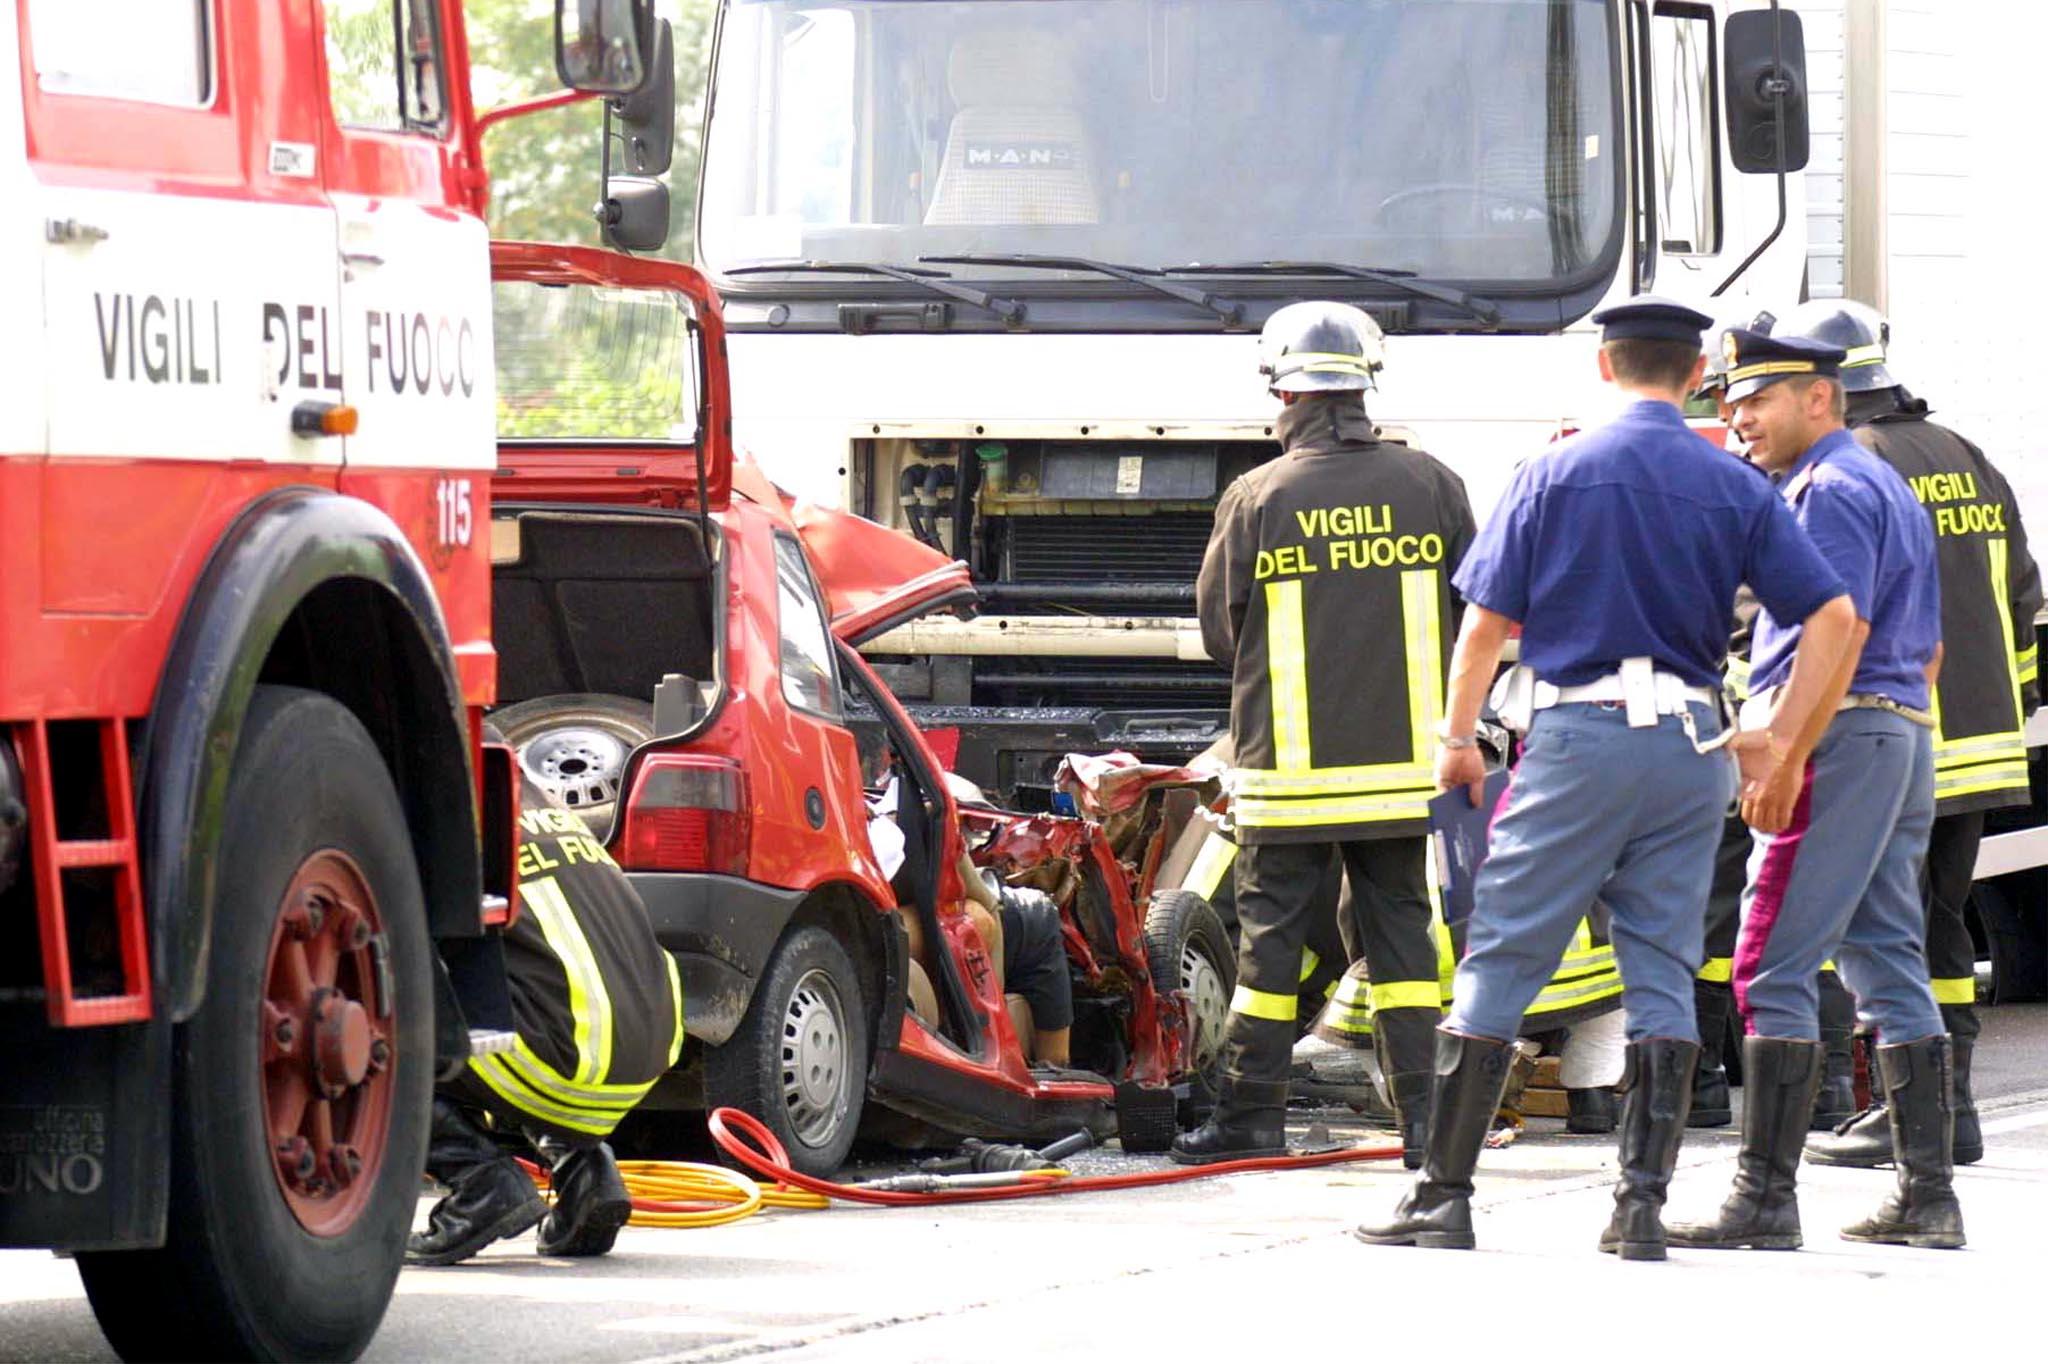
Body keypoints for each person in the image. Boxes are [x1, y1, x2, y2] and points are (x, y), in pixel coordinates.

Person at [1355, 297, 1857, 1260]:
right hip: (1689, 748)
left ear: (1603, 367)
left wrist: (1457, 740)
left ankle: (1442, 1198)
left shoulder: (1553, 470)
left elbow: (1484, 632)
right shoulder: (1736, 482)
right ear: (1698, 369)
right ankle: (1638, 1210)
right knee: (1662, 970)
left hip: (1577, 737)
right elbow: (1831, 615)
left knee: (1502, 955)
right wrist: (1781, 740)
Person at [1668, 328, 1961, 1252]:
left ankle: (1763, 1200)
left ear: (1820, 399)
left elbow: (1839, 630)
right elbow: (1932, 638)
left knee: (1768, 965)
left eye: (1757, 400)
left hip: (1840, 736)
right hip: (1898, 730)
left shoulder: (1828, 491)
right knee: (1885, 956)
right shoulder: (1880, 482)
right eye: (1732, 400)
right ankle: (1928, 1199)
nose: (1737, 417)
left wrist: (1786, 750)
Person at [1177, 301, 1477, 1169]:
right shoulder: (1432, 485)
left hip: (1290, 779)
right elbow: (1477, 612)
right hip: (1403, 773)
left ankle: (1249, 1118)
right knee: (1406, 948)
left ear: (1284, 391)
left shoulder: (1259, 496)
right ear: (1364, 386)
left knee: (1269, 949)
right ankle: (1426, 1125)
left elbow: (1220, 634)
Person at [1785, 302, 2042, 1171]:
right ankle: (1942, 1113)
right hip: (1982, 738)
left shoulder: (1851, 466)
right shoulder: (1964, 455)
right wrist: (2014, 697)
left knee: (1893, 927)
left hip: (1897, 736)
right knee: (1935, 924)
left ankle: (1921, 1117)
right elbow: (2022, 593)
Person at [407, 770, 684, 1266]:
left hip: (564, 1055)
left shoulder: (427, 796)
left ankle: (479, 1183)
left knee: (371, 1020)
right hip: (650, 1045)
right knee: (522, 984)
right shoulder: (525, 788)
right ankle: (588, 1176)